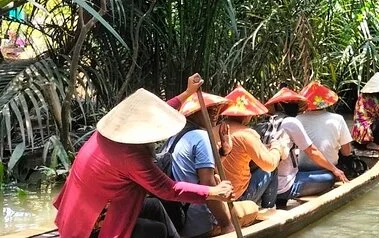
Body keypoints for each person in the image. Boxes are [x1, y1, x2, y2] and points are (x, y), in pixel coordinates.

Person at [53, 74, 235, 238]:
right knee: (155, 230)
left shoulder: (111, 131)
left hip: (78, 212)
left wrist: (187, 93)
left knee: (155, 206)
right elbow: (169, 190)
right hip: (90, 227)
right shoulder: (131, 154)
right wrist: (212, 192)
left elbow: (162, 111)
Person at [164, 91, 234, 237]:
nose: (215, 112)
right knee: (249, 210)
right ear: (194, 112)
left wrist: (224, 152)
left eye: (216, 109)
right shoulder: (201, 137)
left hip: (175, 213)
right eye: (209, 109)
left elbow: (196, 171)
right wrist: (226, 225)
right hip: (195, 221)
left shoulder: (175, 136)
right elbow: (208, 184)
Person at [264, 86, 348, 207]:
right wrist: (335, 170)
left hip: (271, 182)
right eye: (291, 104)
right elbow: (312, 151)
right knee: (330, 177)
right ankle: (285, 194)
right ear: (280, 106)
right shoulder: (292, 122)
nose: (294, 106)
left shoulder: (269, 122)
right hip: (285, 184)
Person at [220, 86, 288, 208]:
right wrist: (277, 148)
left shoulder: (215, 130)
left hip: (219, 195)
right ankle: (269, 209)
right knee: (271, 170)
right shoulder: (247, 134)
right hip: (237, 196)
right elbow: (270, 164)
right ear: (248, 116)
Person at [297, 81, 352, 170]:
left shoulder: (297, 119)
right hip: (331, 168)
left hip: (303, 167)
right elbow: (346, 152)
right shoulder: (337, 119)